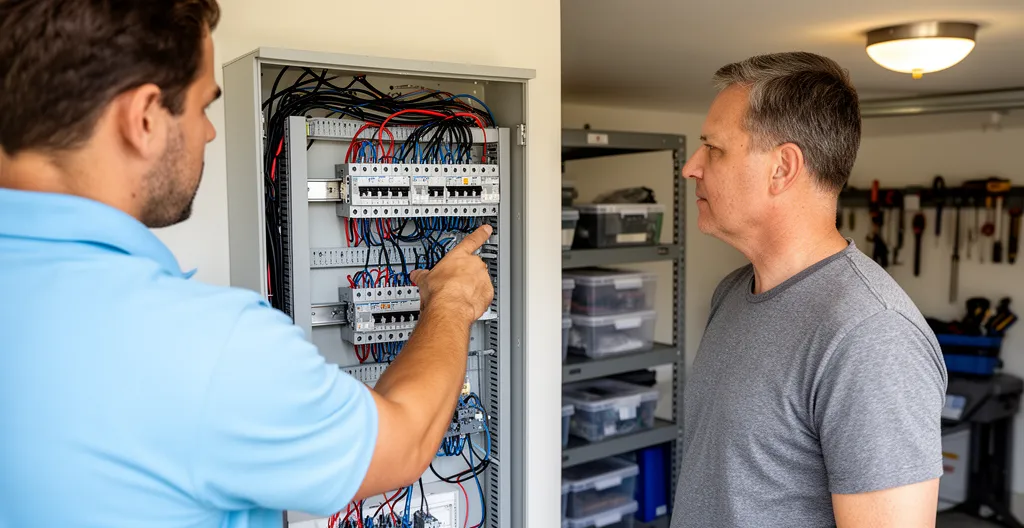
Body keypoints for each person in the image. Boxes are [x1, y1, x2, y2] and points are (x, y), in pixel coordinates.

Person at [0, 1, 493, 527]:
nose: (210, 133)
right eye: (200, 107)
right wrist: (451, 302)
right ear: (142, 118)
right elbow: (406, 442)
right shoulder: (210, 346)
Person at [672, 52, 947, 528]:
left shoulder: (872, 336)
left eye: (713, 149)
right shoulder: (733, 293)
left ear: (783, 168)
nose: (691, 168)